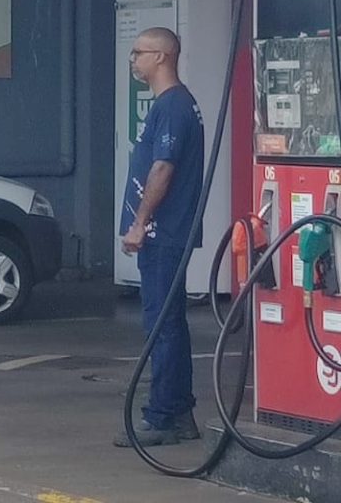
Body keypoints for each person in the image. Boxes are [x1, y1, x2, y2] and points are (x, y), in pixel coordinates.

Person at [114, 26, 205, 448]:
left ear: (162, 57)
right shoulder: (170, 105)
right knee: (167, 322)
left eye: (139, 52)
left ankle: (164, 415)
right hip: (163, 234)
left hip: (164, 233)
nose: (133, 60)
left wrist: (140, 222)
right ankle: (178, 410)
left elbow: (163, 167)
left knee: (162, 325)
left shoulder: (173, 107)